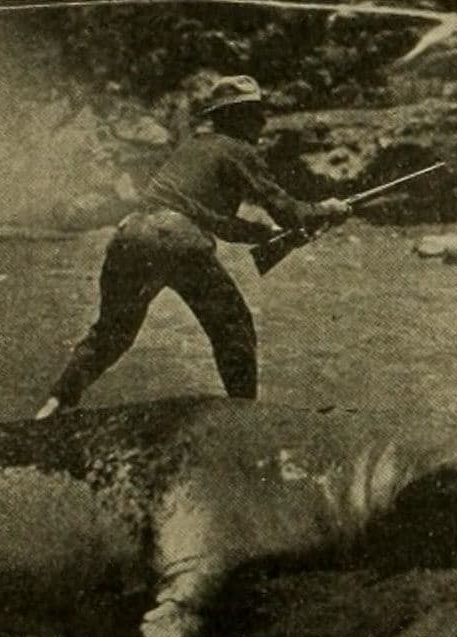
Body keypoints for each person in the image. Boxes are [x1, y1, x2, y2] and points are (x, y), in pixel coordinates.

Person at [35, 75, 349, 420]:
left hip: (130, 235)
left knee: (112, 333)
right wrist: (326, 210)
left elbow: (214, 220)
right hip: (178, 241)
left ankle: (52, 406)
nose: (262, 121)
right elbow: (287, 210)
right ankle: (245, 415)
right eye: (255, 113)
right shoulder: (238, 150)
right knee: (234, 326)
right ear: (236, 117)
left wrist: (268, 234)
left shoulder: (194, 147)